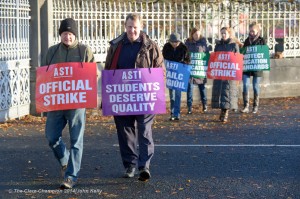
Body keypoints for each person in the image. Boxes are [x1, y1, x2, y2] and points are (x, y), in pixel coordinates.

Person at [104, 13, 164, 181]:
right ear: (125, 27)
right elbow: (109, 70)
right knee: (125, 131)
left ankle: (144, 166)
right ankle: (130, 165)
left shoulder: (151, 46)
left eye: (135, 27)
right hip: (122, 97)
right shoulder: (116, 46)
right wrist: (108, 95)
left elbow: (160, 70)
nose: (132, 31)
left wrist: (158, 92)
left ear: (141, 27)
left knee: (145, 130)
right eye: (129, 27)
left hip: (145, 97)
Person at [42, 18, 95, 188]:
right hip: (56, 104)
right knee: (51, 136)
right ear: (60, 34)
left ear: (75, 35)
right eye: (65, 33)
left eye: (71, 34)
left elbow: (93, 75)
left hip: (76, 105)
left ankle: (71, 176)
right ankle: (64, 159)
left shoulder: (84, 51)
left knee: (76, 140)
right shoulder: (51, 52)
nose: (68, 37)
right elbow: (44, 77)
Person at [211, 27, 239, 122]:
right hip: (220, 72)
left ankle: (225, 112)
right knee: (221, 92)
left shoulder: (233, 45)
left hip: (229, 73)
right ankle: (223, 111)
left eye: (225, 33)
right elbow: (215, 58)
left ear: (229, 34)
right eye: (222, 33)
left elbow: (237, 60)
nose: (223, 35)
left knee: (227, 92)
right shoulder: (218, 45)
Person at [162, 32, 190, 120]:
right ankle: (172, 112)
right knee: (172, 95)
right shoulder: (166, 48)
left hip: (179, 75)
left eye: (176, 42)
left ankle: (176, 113)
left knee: (178, 94)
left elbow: (188, 60)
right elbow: (163, 59)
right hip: (171, 75)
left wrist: (183, 64)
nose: (174, 44)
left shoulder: (184, 48)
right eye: (173, 42)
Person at [240, 23, 266, 114]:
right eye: (250, 31)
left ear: (257, 31)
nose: (251, 33)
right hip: (247, 66)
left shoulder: (261, 40)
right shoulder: (247, 40)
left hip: (257, 67)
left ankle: (255, 106)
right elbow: (243, 52)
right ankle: (246, 106)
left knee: (255, 86)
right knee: (245, 85)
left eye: (253, 31)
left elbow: (264, 52)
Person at [185, 27, 209, 114]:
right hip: (190, 70)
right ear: (192, 34)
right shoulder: (187, 43)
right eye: (195, 34)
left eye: (199, 34)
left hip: (200, 70)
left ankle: (205, 105)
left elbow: (206, 55)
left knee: (202, 88)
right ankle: (189, 107)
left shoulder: (203, 43)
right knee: (189, 89)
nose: (197, 36)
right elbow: (185, 55)